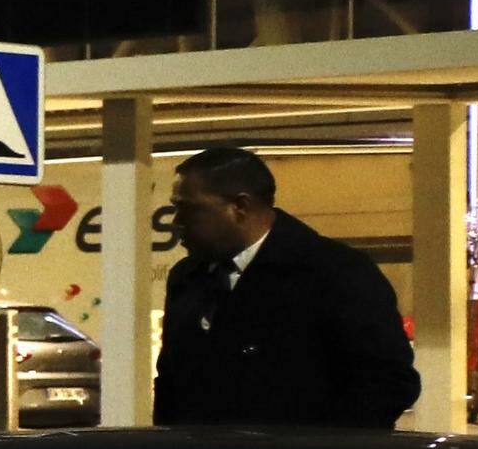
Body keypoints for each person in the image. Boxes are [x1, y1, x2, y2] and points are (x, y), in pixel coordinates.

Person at [154, 144, 419, 429]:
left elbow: (388, 381)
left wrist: (319, 447)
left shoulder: (334, 273)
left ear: (240, 207)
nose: (177, 222)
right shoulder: (187, 278)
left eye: (188, 209)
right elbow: (171, 382)